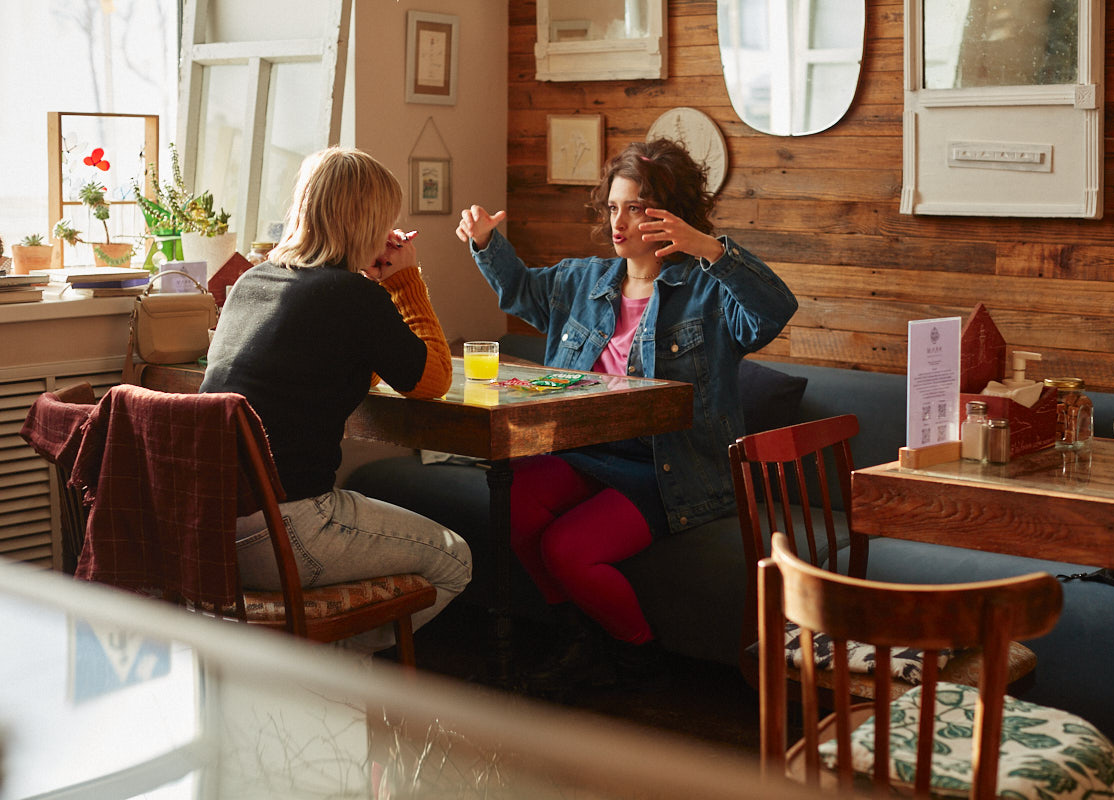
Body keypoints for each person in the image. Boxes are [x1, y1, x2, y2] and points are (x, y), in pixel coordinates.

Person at [455, 138, 797, 696]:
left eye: (635, 208)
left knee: (566, 548)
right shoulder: (583, 281)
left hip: (668, 468)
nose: (619, 222)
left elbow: (774, 309)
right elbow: (519, 290)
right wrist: (486, 242)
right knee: (510, 498)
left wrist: (710, 248)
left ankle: (639, 657)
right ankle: (580, 643)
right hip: (588, 452)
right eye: (613, 206)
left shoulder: (708, 292)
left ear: (670, 214)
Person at [201, 146, 472, 651]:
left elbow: (334, 368)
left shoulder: (250, 282)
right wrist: (404, 280)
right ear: (369, 225)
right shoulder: (353, 297)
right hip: (287, 532)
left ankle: (313, 680)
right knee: (455, 559)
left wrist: (369, 289)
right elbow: (432, 380)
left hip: (208, 535)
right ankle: (330, 681)